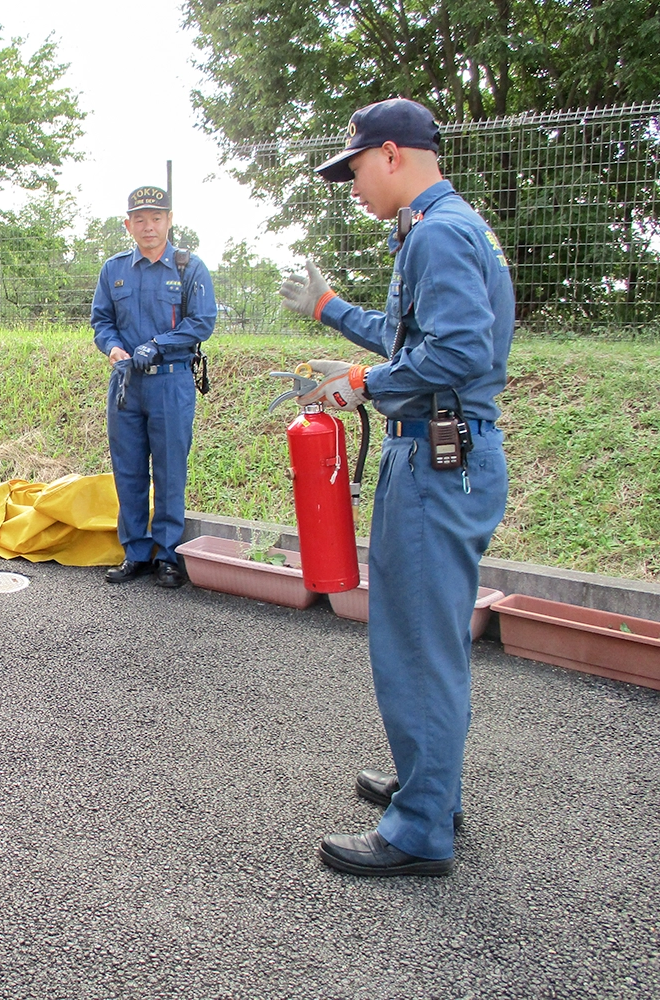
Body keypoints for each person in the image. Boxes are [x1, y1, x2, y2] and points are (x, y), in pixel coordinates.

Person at [278, 98, 513, 877]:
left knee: (415, 648)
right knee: (426, 640)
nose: (349, 186)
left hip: (437, 457)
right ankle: (426, 788)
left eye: (350, 170)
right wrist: (329, 311)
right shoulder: (446, 226)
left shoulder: (436, 233)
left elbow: (456, 352)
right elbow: (416, 336)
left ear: (387, 153)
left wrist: (360, 385)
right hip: (448, 453)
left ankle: (419, 829)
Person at [91, 186, 217, 589]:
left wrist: (156, 346)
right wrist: (113, 349)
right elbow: (101, 321)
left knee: (169, 470)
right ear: (128, 224)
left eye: (157, 218)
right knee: (127, 471)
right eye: (140, 219)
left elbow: (202, 323)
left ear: (169, 220)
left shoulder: (188, 267)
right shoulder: (114, 269)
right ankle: (135, 553)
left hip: (171, 382)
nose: (149, 226)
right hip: (127, 383)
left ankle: (167, 555)